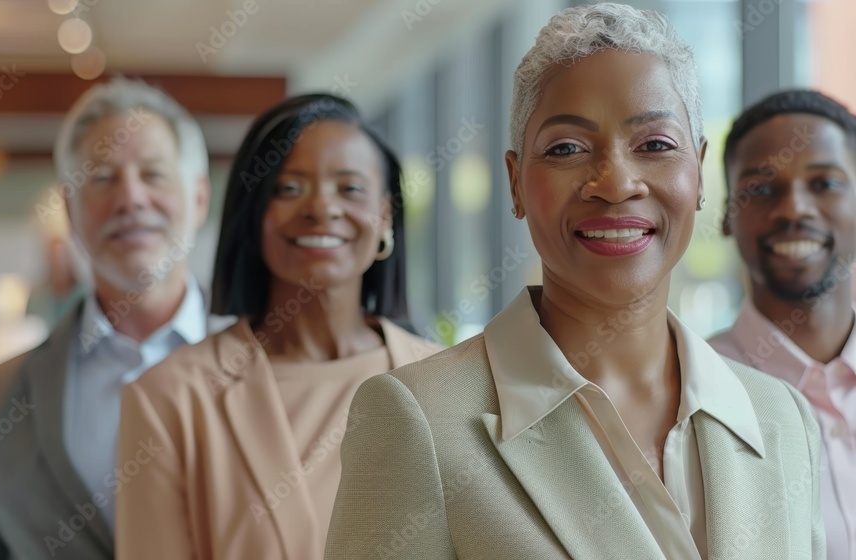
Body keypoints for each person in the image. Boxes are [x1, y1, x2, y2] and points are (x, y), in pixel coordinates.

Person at [326, 4, 825, 559]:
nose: (614, 183)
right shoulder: (418, 420)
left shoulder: (780, 417)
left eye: (655, 145)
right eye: (566, 149)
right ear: (516, 184)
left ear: (700, 171)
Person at [114, 94, 441, 560]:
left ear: (385, 214)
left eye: (350, 189)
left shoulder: (448, 384)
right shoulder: (168, 398)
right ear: (253, 215)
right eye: (289, 188)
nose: (321, 208)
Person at [0, 77, 218, 560]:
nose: (130, 198)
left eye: (153, 174)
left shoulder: (274, 365)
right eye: (103, 178)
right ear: (70, 209)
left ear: (198, 199)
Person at [709, 89, 856, 560]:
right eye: (761, 189)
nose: (794, 210)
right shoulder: (690, 392)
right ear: (727, 215)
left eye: (825, 184)